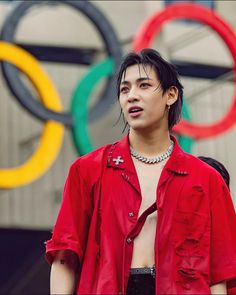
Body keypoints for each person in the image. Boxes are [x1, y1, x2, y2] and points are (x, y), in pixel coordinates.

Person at [45, 49, 236, 295]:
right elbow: (64, 256)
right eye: (125, 90)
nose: (132, 96)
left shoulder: (206, 179)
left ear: (171, 94)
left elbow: (218, 273)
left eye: (144, 86)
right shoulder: (88, 170)